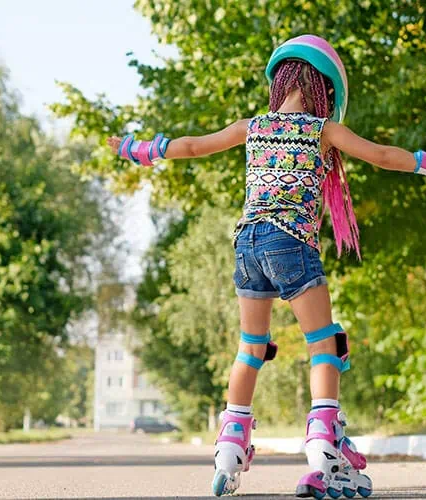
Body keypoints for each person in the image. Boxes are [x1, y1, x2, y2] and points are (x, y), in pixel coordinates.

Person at [107, 34, 425, 499]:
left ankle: (229, 450)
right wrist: (421, 162)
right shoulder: (322, 130)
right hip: (290, 242)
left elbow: (192, 147)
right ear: (325, 91)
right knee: (325, 343)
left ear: (280, 83)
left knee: (251, 346)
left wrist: (139, 149)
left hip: (247, 245)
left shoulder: (252, 127)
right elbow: (380, 155)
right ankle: (323, 450)